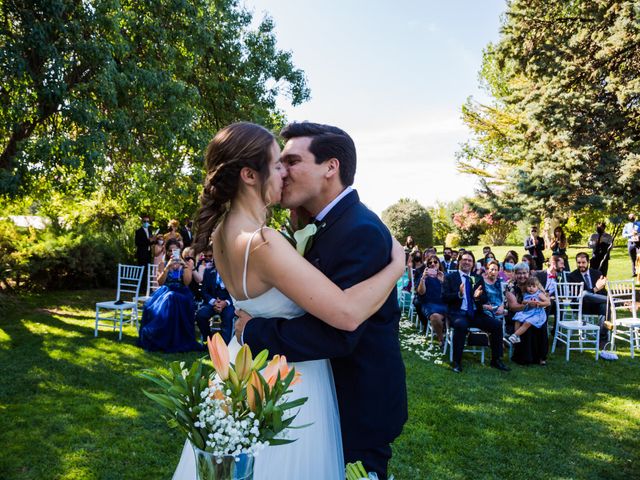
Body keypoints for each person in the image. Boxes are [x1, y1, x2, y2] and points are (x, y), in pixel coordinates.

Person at [173, 122, 406, 480]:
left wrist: (253, 331)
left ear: (331, 167)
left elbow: (342, 329)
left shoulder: (225, 234)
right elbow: (344, 314)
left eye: (291, 161)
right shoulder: (265, 241)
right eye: (278, 163)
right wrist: (397, 267)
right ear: (250, 175)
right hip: (289, 384)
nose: (284, 172)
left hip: (275, 376)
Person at [442, 251, 509, 373]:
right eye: (464, 259)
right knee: (461, 325)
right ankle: (457, 362)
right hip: (458, 313)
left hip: (475, 313)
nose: (467, 262)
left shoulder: (477, 278)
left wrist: (477, 297)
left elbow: (483, 299)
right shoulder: (450, 277)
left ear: (473, 264)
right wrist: (459, 294)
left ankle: (496, 360)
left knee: (497, 325)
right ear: (459, 262)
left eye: (470, 260)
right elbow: (444, 297)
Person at [137, 240, 202, 353]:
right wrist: (167, 267)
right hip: (166, 291)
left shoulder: (186, 264)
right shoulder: (163, 263)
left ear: (180, 251)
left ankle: (177, 339)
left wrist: (184, 265)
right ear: (166, 251)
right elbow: (160, 282)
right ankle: (162, 337)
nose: (172, 252)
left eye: (175, 250)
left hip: (182, 293)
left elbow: (187, 282)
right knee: (169, 298)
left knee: (172, 298)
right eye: (170, 250)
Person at [567, 252, 616, 360]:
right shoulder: (572, 276)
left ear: (588, 262)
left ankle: (601, 339)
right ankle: (615, 301)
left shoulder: (597, 273)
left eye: (583, 262)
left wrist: (599, 290)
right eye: (578, 262)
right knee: (584, 294)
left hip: (596, 304)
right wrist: (595, 289)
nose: (581, 265)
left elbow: (602, 292)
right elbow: (578, 296)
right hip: (581, 305)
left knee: (605, 306)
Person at [505, 262, 548, 365]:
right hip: (517, 314)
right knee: (526, 326)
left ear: (528, 273)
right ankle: (525, 358)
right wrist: (529, 306)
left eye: (524, 273)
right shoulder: (511, 286)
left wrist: (539, 304)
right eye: (519, 273)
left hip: (534, 313)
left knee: (540, 325)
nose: (522, 276)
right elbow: (513, 307)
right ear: (515, 274)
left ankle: (541, 357)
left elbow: (544, 296)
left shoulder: (533, 282)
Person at [194, 260, 234, 344]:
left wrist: (225, 302)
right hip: (212, 302)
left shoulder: (234, 273)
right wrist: (214, 302)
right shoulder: (208, 272)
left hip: (228, 303)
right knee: (200, 315)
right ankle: (208, 341)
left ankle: (224, 346)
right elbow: (204, 292)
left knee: (228, 316)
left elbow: (237, 292)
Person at [416, 254, 447, 348]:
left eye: (435, 262)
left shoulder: (445, 276)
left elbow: (450, 292)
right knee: (435, 317)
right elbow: (421, 292)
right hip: (429, 304)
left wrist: (443, 281)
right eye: (430, 263)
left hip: (444, 303)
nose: (433, 264)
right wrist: (423, 279)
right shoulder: (424, 277)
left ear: (439, 264)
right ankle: (441, 339)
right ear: (427, 265)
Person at [508, 276, 550, 346]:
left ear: (537, 287)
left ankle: (515, 335)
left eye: (533, 286)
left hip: (537, 313)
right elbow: (523, 302)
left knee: (527, 322)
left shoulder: (539, 294)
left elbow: (548, 303)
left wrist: (538, 303)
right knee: (518, 318)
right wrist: (527, 302)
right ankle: (517, 336)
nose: (531, 288)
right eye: (529, 286)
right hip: (527, 312)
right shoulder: (526, 294)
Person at [135, 214, 153, 285]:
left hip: (148, 253)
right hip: (141, 253)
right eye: (144, 221)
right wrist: (149, 241)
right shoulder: (138, 231)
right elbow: (137, 243)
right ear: (142, 222)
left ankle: (146, 285)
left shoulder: (150, 231)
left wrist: (153, 240)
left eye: (147, 221)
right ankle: (141, 286)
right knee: (141, 270)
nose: (146, 222)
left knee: (147, 270)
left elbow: (150, 243)